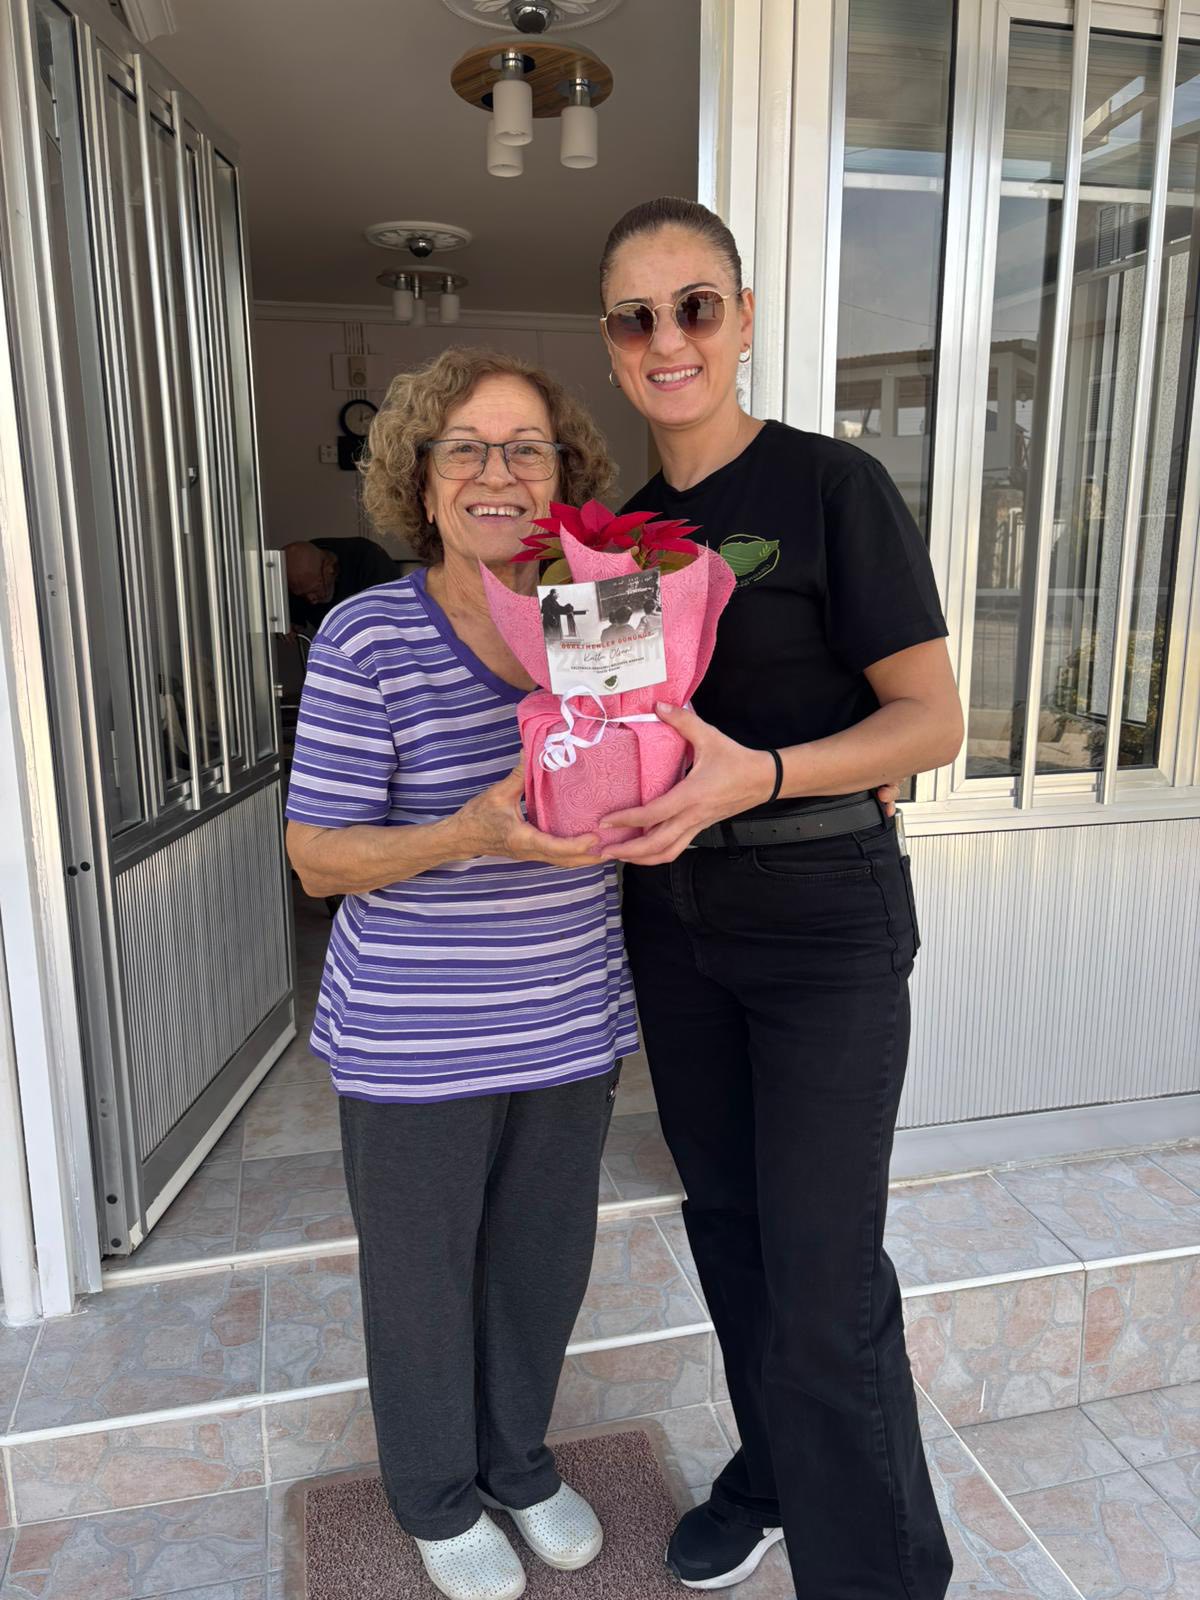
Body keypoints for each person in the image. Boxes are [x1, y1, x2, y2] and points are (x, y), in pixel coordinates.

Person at [597, 197, 963, 1598]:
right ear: (612, 343)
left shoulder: (830, 486)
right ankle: (770, 1473)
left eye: (695, 305)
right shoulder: (617, 540)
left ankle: (879, 1575)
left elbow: (929, 720)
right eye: (636, 316)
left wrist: (765, 774)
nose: (668, 338)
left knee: (822, 1278)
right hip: (674, 922)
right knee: (733, 1234)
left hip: (821, 916)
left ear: (742, 319)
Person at [285, 348, 639, 1600]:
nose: (499, 472)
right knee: (423, 1282)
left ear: (563, 475)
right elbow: (317, 857)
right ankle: (435, 1494)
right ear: (421, 477)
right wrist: (469, 833)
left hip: (569, 1020)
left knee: (539, 1264)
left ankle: (519, 1463)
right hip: (415, 1036)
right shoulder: (367, 634)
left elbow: (647, 768)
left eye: (527, 448)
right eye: (467, 448)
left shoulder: (603, 615)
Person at [284, 534, 400, 631]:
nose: (312, 600)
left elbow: (388, 616)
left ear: (330, 569)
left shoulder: (370, 560)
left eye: (315, 590)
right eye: (303, 595)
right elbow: (292, 621)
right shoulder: (298, 571)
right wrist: (291, 623)